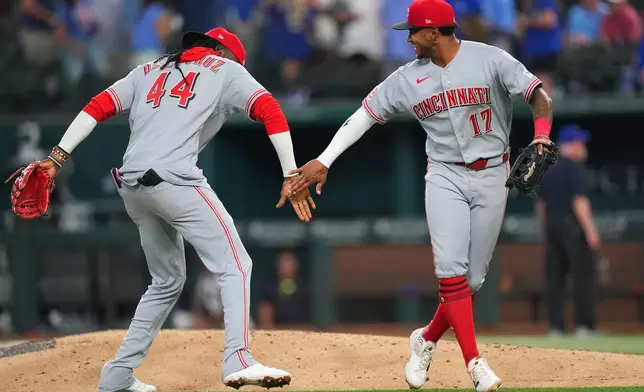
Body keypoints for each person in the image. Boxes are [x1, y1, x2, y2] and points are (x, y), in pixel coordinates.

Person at [287, 0, 554, 390]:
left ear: (433, 33)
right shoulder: (406, 78)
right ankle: (474, 362)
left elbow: (539, 96)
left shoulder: (491, 59)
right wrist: (325, 159)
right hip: (444, 175)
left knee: (473, 279)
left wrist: (542, 133)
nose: (408, 39)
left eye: (413, 31)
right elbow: (363, 115)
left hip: (494, 174)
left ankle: (426, 338)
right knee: (450, 271)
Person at [36, 26, 315, 392]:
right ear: (218, 50)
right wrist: (291, 173)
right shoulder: (225, 68)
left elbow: (97, 106)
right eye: (233, 58)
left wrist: (57, 157)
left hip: (132, 184)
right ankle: (238, 358)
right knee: (235, 264)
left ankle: (118, 374)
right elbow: (271, 109)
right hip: (174, 178)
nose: (236, 65)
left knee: (166, 280)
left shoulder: (147, 70)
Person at [535, 124, 599, 338]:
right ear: (567, 146)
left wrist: (546, 228)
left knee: (555, 279)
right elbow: (579, 202)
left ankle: (556, 327)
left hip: (552, 226)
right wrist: (590, 231)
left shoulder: (548, 168)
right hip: (573, 226)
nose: (583, 148)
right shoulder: (574, 168)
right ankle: (584, 327)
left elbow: (541, 205)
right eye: (578, 143)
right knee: (583, 277)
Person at [257, 251, 310, 329]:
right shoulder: (270, 288)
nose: (287, 267)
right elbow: (265, 310)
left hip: (303, 328)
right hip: (278, 329)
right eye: (284, 264)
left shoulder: (304, 287)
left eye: (290, 264)